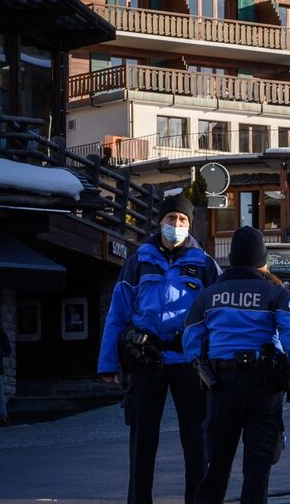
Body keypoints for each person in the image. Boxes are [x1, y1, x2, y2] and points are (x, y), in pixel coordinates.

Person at [97, 194, 220, 504]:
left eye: (182, 221)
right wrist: (108, 363)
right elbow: (117, 314)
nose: (176, 225)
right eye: (170, 219)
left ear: (189, 225)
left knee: (196, 439)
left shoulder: (205, 264)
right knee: (142, 440)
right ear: (159, 221)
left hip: (189, 360)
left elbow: (217, 316)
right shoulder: (138, 261)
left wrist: (217, 358)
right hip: (145, 358)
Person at [184, 226, 290, 504]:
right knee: (257, 469)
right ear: (262, 258)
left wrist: (203, 367)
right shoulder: (275, 292)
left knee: (216, 468)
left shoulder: (209, 294)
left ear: (231, 257)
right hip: (264, 385)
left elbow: (191, 339)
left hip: (221, 385)